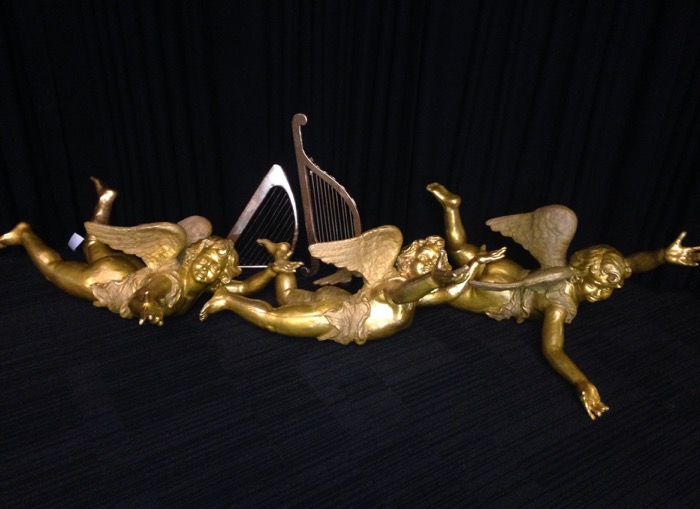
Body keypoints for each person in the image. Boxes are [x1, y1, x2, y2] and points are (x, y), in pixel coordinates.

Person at [426, 182, 700, 420]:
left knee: (460, 250)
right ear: (587, 276)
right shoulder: (559, 305)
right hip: (502, 294)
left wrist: (662, 256)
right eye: (602, 284)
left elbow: (632, 264)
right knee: (441, 293)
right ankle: (413, 282)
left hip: (510, 269)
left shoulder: (569, 268)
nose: (608, 290)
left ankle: (452, 208)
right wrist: (582, 383)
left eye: (611, 285)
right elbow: (553, 349)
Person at [0, 177, 292, 325]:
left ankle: (105, 199)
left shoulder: (206, 285)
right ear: (194, 256)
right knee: (53, 270)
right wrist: (148, 305)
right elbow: (143, 295)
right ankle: (24, 234)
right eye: (206, 259)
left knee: (93, 243)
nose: (208, 267)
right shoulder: (172, 281)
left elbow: (244, 287)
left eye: (216, 266)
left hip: (128, 269)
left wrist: (271, 271)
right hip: (111, 281)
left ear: (220, 275)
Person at [200, 225, 506, 345]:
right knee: (273, 319)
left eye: (434, 262)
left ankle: (281, 257)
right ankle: (228, 299)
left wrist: (473, 266)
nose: (428, 265)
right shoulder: (396, 282)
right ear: (406, 260)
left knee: (288, 295)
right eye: (423, 259)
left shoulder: (420, 290)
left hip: (340, 299)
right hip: (340, 315)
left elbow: (447, 293)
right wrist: (434, 278)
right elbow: (401, 295)